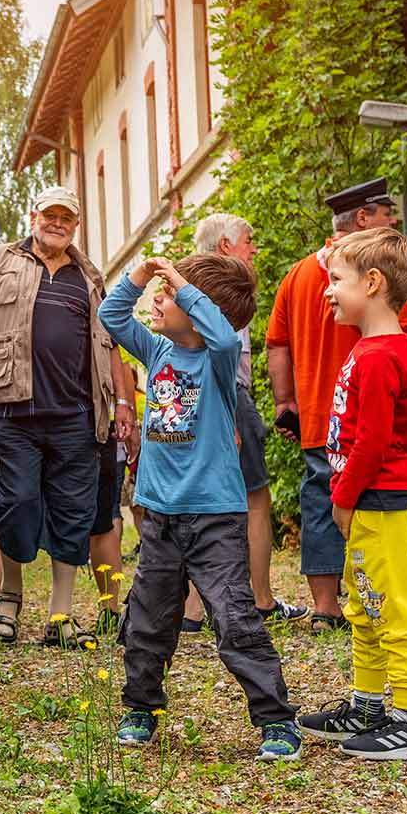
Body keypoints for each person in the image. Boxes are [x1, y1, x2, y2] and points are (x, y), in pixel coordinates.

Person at [100, 253, 303, 762]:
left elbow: (227, 337)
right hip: (160, 515)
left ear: (198, 306)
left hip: (214, 515)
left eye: (166, 297)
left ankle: (276, 720)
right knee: (148, 618)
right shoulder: (156, 349)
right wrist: (141, 278)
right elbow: (110, 316)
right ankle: (141, 706)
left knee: (235, 619)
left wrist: (184, 286)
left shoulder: (216, 361)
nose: (157, 301)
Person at [0, 186, 135, 649]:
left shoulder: (88, 277)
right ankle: (8, 599)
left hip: (76, 414)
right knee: (15, 503)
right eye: (49, 214)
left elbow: (108, 343)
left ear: (75, 225)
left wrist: (123, 404)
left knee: (74, 513)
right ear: (34, 216)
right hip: (11, 410)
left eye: (65, 217)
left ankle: (61, 614)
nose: (56, 223)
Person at [295, 229, 407, 760]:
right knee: (364, 604)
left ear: (373, 283)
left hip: (379, 500)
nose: (327, 292)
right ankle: (368, 704)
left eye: (336, 281)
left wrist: (343, 495)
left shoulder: (381, 356)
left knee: (393, 609)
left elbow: (376, 441)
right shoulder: (373, 348)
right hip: (372, 500)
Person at [266, 178, 407, 631]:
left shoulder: (295, 275)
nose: (390, 221)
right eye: (383, 214)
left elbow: (277, 344)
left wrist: (285, 402)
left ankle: (325, 607)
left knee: (319, 501)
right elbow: (403, 331)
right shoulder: (376, 276)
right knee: (371, 503)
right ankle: (376, 594)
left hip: (319, 416)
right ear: (361, 219)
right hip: (367, 413)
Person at [194, 213, 310, 625]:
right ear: (226, 245)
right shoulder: (228, 284)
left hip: (194, 395)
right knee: (255, 497)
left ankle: (192, 609)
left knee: (197, 499)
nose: (254, 248)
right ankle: (260, 599)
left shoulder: (189, 279)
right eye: (249, 239)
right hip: (228, 393)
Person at [89, 359, 139, 633]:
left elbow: (116, 360)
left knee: (106, 517)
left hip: (100, 429)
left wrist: (126, 412)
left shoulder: (103, 327)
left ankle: (109, 610)